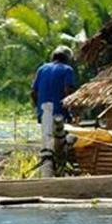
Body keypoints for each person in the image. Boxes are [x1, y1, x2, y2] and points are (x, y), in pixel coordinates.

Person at [31, 46, 76, 176]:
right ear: (67, 59)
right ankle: (57, 172)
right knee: (61, 143)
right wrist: (72, 110)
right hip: (59, 114)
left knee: (47, 145)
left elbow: (33, 92)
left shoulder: (42, 69)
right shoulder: (67, 70)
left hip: (44, 113)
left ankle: (50, 171)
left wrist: (37, 108)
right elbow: (68, 91)